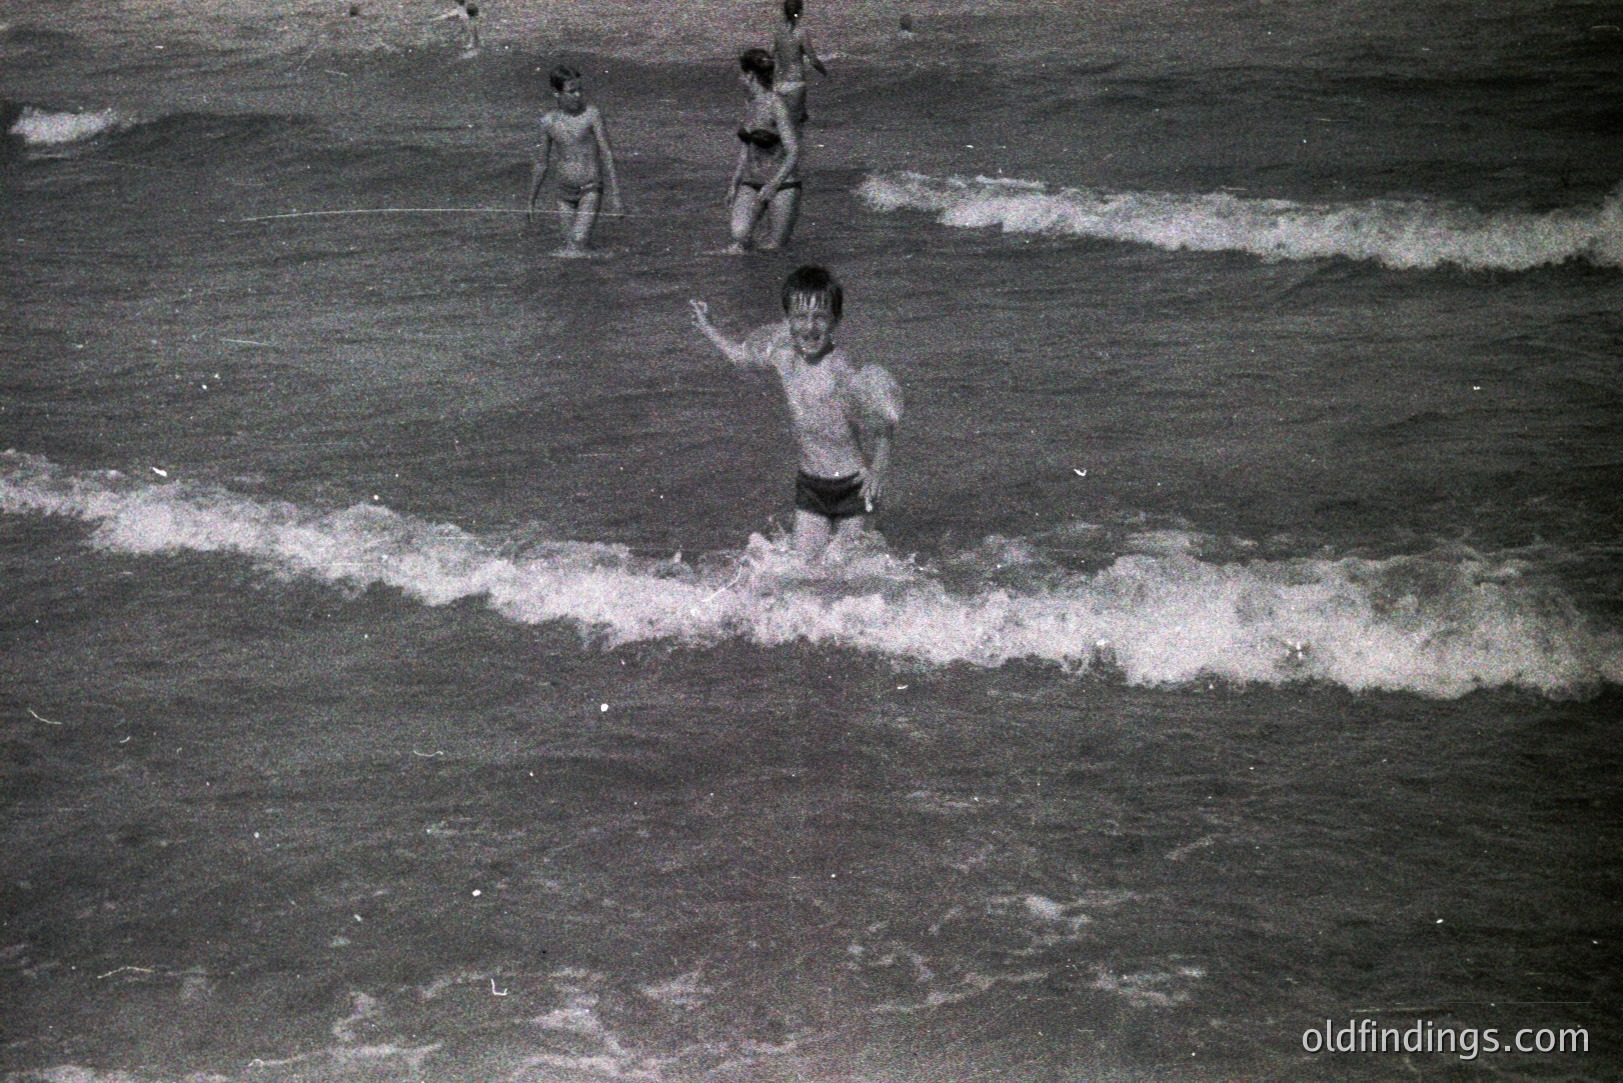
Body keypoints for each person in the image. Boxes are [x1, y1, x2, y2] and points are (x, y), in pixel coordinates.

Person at [689, 266, 902, 561]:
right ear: (787, 319)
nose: (810, 327)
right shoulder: (782, 355)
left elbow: (885, 417)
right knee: (802, 570)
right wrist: (708, 328)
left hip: (853, 486)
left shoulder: (840, 369)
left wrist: (879, 469)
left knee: (850, 572)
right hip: (811, 486)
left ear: (836, 320)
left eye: (820, 317)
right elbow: (741, 357)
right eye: (800, 317)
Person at [527, 66, 625, 255]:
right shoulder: (548, 122)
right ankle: (602, 260)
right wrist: (531, 200)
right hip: (563, 193)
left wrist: (616, 195)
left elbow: (607, 153)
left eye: (580, 89)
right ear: (556, 93)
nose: (578, 95)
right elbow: (541, 162)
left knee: (578, 241)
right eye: (572, 91)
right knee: (572, 248)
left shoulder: (591, 115)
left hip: (590, 187)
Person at [728, 48, 801, 253]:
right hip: (751, 181)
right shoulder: (750, 103)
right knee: (739, 235)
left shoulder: (776, 104)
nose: (740, 79)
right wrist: (734, 182)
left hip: (783, 183)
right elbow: (747, 146)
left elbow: (794, 150)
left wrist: (773, 184)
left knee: (773, 249)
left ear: (750, 75)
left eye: (741, 74)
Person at [771, 0, 828, 127]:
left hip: (779, 82)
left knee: (780, 124)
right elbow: (813, 60)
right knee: (795, 124)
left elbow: (770, 56)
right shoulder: (801, 32)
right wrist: (825, 73)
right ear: (801, 12)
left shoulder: (778, 31)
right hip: (795, 82)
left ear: (783, 11)